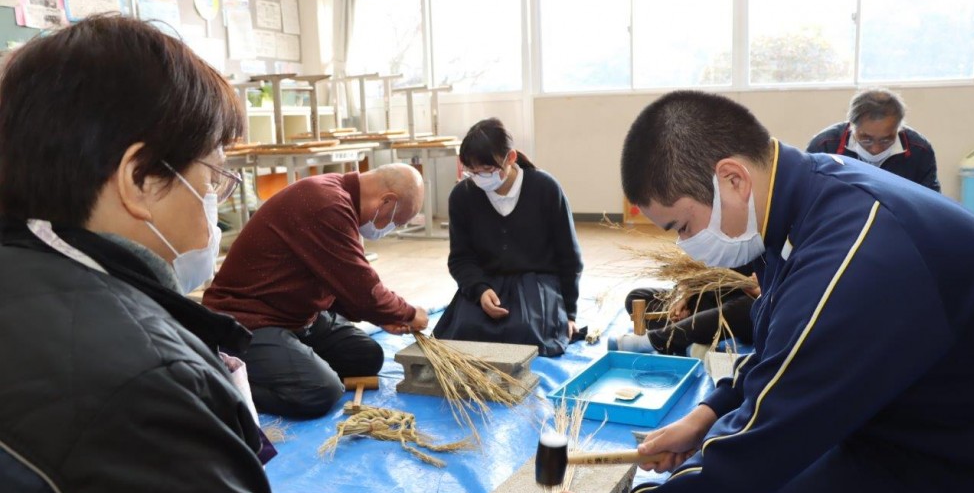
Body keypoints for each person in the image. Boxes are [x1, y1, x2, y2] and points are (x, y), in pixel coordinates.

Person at [0, 16, 429, 493]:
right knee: (321, 389)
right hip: (260, 322)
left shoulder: (36, 278)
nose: (216, 204)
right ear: (140, 179)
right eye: (213, 178)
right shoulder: (145, 382)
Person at [532, 90, 974, 493]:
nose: (687, 246)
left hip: (953, 457)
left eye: (682, 226)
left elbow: (762, 445)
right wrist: (707, 414)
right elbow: (780, 346)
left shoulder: (852, 257)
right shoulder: (806, 195)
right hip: (899, 416)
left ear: (732, 179)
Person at [203, 163, 429, 419]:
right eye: (395, 222)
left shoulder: (340, 200)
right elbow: (362, 288)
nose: (390, 229)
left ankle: (291, 360)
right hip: (250, 320)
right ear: (387, 201)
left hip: (297, 315)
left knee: (366, 357)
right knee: (321, 391)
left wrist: (385, 316)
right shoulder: (326, 203)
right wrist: (407, 314)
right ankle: (219, 381)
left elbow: (342, 286)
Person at [433, 118, 583, 356]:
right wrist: (479, 289)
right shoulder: (462, 195)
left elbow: (569, 256)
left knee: (527, 334)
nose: (480, 178)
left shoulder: (545, 188)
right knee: (463, 334)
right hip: (486, 281)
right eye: (473, 171)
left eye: (488, 170)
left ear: (510, 158)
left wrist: (569, 313)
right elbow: (460, 258)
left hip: (536, 282)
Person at [807, 88, 941, 192]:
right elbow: (807, 197)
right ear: (851, 126)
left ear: (899, 128)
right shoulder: (824, 147)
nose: (876, 149)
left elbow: (931, 204)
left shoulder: (919, 151)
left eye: (886, 140)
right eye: (866, 139)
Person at [611, 267, 759, 355]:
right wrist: (682, 297)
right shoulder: (719, 239)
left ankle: (651, 341)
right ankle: (690, 339)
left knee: (749, 307)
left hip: (736, 311)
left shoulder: (767, 244)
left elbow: (775, 295)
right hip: (701, 299)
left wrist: (759, 290)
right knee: (637, 296)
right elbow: (691, 274)